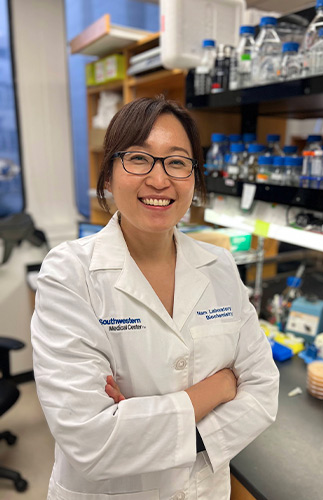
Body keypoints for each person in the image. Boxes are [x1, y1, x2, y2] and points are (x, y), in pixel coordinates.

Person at [31, 96, 279, 500]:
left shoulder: (218, 265)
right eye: (139, 159)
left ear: (194, 178)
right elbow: (91, 440)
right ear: (108, 175)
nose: (160, 179)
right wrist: (215, 390)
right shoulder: (69, 273)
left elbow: (263, 390)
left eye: (177, 161)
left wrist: (142, 423)